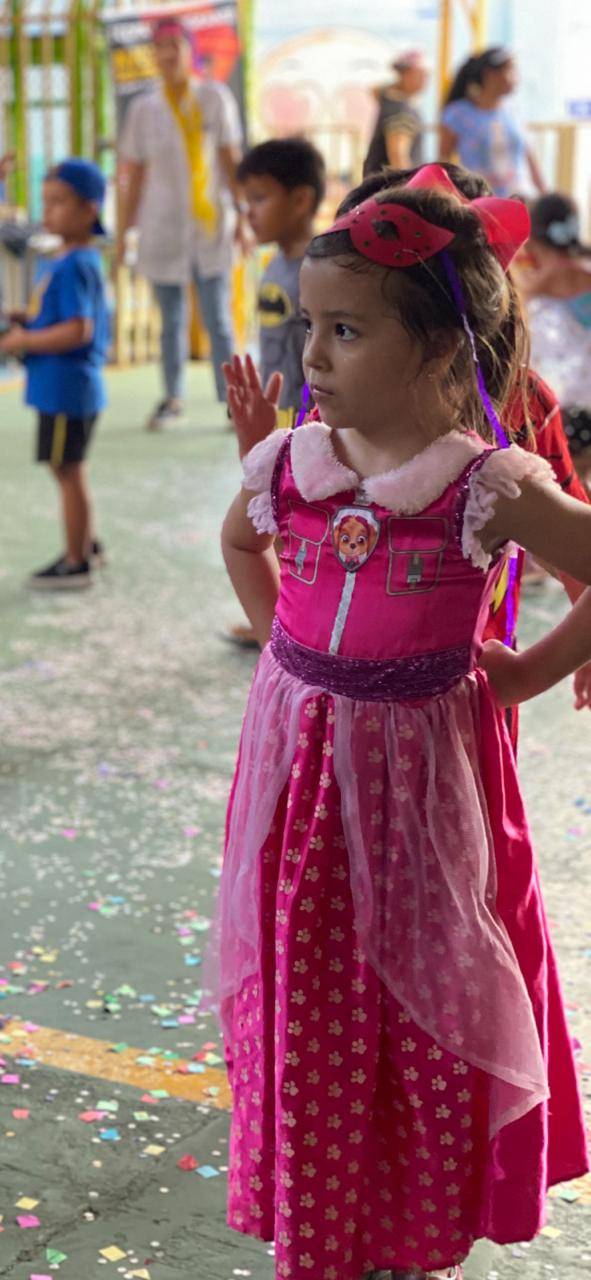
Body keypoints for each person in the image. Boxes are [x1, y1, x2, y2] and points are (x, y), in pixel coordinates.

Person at [211, 166, 591, 1280]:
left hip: (420, 800)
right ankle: (329, 1200)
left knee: (422, 994)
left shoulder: (487, 484)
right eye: (307, 326)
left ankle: (414, 1220)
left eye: (344, 330)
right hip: (301, 794)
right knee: (316, 990)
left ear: (435, 349)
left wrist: (525, 675)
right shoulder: (291, 464)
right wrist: (290, 656)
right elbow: (240, 542)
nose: (312, 357)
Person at [118, 16, 244, 430]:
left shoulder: (214, 97)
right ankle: (172, 398)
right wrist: (123, 233)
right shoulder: (143, 109)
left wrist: (244, 218)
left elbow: (230, 162)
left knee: (218, 319)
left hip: (211, 225)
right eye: (160, 47)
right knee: (169, 320)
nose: (167, 54)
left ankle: (233, 402)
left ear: (191, 51)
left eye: (175, 45)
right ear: (153, 55)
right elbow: (135, 176)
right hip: (162, 226)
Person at [0, 159, 109, 589]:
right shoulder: (61, 259)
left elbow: (78, 329)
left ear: (89, 210)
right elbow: (55, 316)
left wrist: (22, 340)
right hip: (59, 388)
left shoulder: (77, 263)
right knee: (67, 469)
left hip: (68, 389)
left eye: (59, 202)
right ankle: (88, 543)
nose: (48, 211)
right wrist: (23, 319)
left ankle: (76, 561)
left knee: (68, 471)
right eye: (46, 202)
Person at [516, 192, 591, 484]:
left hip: (575, 410)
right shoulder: (584, 269)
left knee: (571, 486)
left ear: (533, 239)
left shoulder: (544, 283)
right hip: (584, 404)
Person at [440, 48, 545, 197]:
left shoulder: (514, 110)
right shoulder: (458, 114)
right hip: (479, 201)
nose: (516, 77)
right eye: (510, 70)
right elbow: (444, 160)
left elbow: (530, 159)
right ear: (490, 74)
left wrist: (545, 195)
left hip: (518, 199)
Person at [364, 49, 430, 177]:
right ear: (406, 75)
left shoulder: (388, 99)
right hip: (393, 185)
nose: (425, 80)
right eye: (421, 75)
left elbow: (377, 90)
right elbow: (398, 156)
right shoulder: (401, 112)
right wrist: (409, 185)